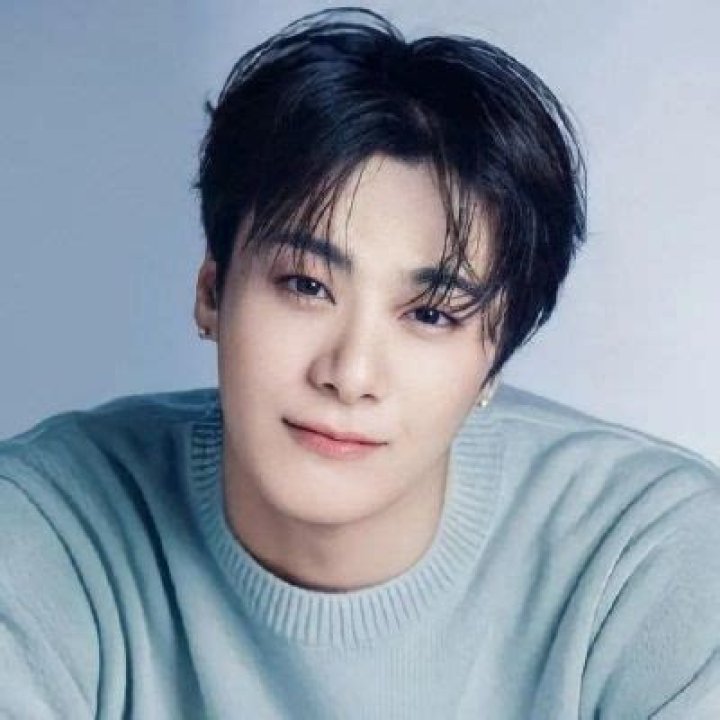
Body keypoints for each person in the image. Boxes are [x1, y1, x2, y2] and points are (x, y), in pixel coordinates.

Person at [1, 7, 718, 719]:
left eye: (431, 314)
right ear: (212, 291)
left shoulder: (648, 556)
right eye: (306, 286)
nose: (350, 375)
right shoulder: (50, 526)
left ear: (496, 359)